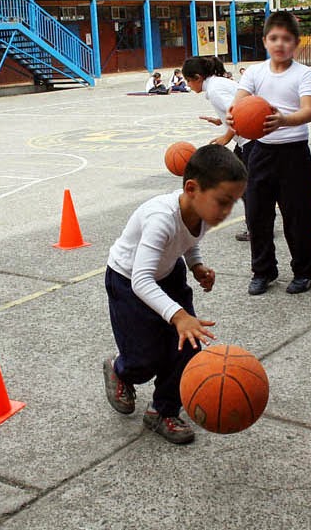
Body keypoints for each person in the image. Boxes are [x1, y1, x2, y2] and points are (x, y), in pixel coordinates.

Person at [102, 145, 246, 445]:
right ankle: (121, 370)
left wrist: (196, 265)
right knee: (145, 357)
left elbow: (189, 238)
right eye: (223, 202)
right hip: (128, 281)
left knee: (188, 347)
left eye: (232, 203)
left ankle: (163, 410)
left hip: (169, 275)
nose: (226, 211)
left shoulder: (203, 211)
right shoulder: (161, 217)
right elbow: (141, 279)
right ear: (191, 188)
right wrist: (178, 315)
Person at [227, 11, 311, 296]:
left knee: (297, 217)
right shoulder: (255, 72)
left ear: (297, 43)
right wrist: (233, 117)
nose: (280, 44)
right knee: (257, 216)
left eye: (287, 39)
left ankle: (305, 271)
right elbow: (239, 104)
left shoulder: (304, 74)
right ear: (265, 41)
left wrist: (283, 120)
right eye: (274, 38)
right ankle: (263, 271)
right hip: (261, 152)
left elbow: (308, 111)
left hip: (294, 154)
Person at [184, 55, 251, 242]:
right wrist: (219, 120)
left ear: (198, 77)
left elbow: (240, 114)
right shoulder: (219, 83)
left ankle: (257, 226)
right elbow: (234, 110)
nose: (189, 86)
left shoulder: (214, 90)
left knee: (246, 187)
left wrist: (226, 137)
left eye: (189, 81)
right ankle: (257, 223)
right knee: (246, 184)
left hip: (249, 140)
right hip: (246, 140)